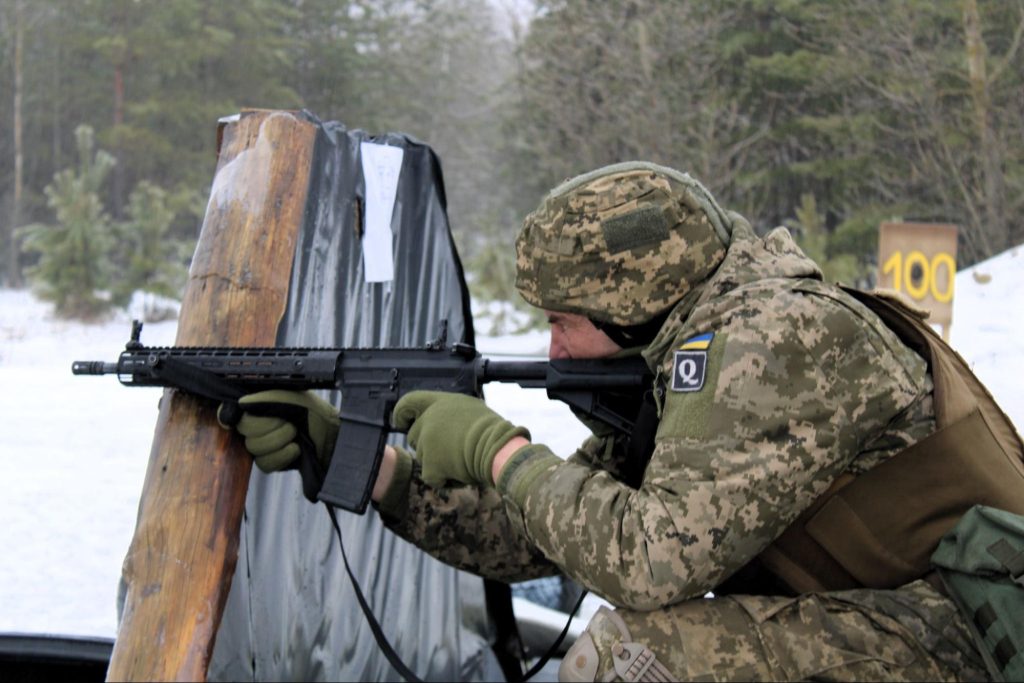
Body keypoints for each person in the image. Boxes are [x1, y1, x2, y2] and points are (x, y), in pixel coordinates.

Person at [227, 162, 1024, 681]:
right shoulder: (682, 348)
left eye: (564, 319)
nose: (552, 345)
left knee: (631, 657)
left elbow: (647, 560)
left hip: (974, 635)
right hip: (898, 614)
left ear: (630, 304)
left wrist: (501, 453)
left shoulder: (768, 341)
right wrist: (372, 470)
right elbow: (544, 537)